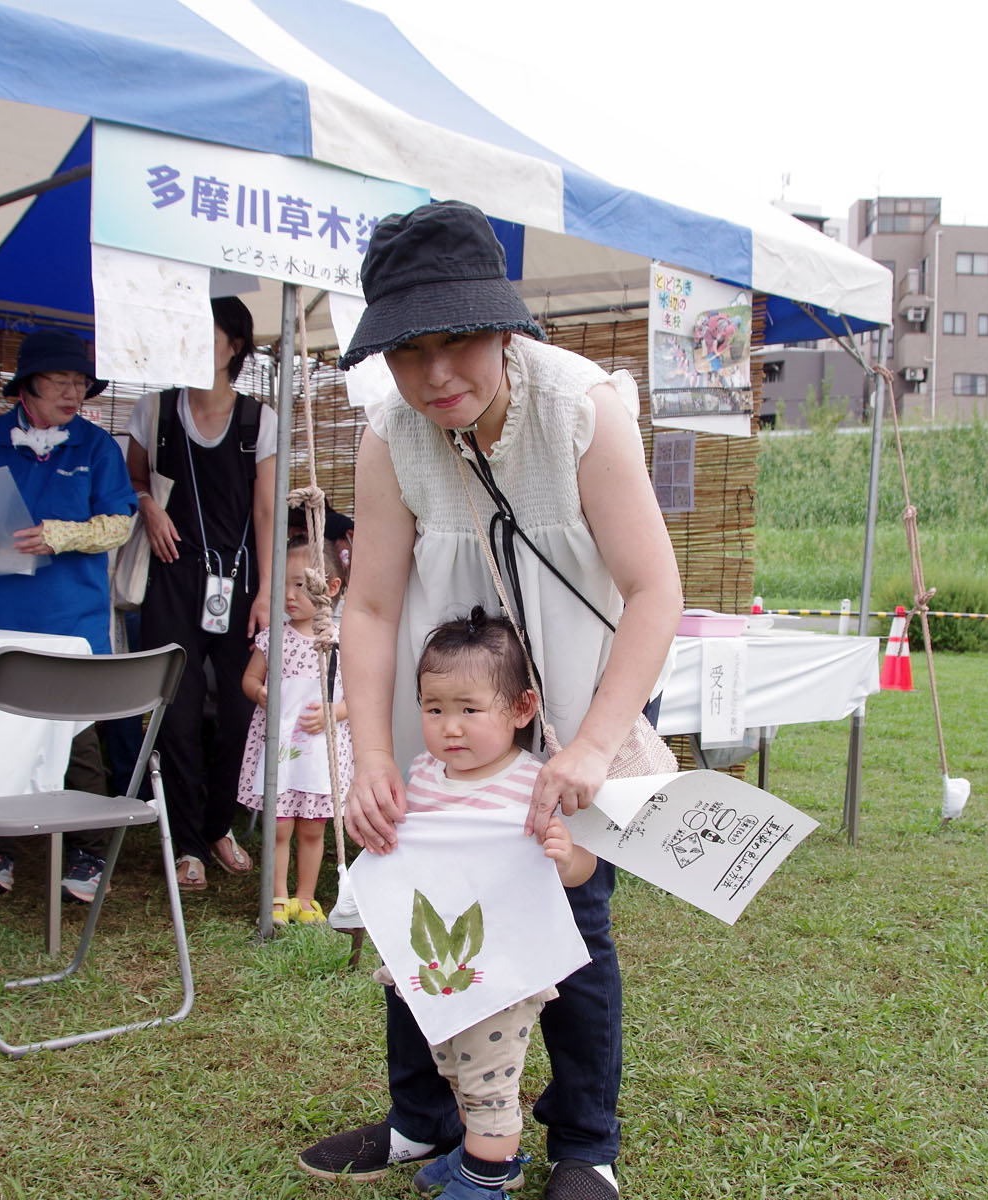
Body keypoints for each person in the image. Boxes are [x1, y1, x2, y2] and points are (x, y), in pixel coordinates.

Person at [296, 201, 682, 1200]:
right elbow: (373, 603)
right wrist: (374, 760)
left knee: (574, 915)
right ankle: (423, 1122)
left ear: (505, 327)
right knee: (416, 902)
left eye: (457, 340)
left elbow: (654, 591)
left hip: (569, 717)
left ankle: (586, 1143)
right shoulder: (392, 433)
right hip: (444, 710)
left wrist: (593, 745)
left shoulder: (582, 410)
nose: (435, 375)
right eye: (406, 350)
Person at [374, 608, 595, 1199]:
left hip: (502, 965)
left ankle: (487, 1176)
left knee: (489, 1079)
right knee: (451, 1063)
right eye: (434, 708)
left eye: (469, 710)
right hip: (438, 963)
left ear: (520, 709)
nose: (450, 728)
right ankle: (483, 1154)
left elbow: (583, 871)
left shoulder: (534, 782)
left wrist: (564, 854)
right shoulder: (421, 775)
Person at [0, 326, 137, 902]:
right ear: (27, 385)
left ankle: (87, 853)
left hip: (76, 617)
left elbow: (120, 523)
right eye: (59, 381)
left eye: (79, 383)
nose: (73, 393)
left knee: (78, 738)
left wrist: (60, 536)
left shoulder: (96, 448)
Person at [128, 297, 276, 892]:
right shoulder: (154, 409)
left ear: (235, 345)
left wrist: (267, 590)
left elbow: (267, 508)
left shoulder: (257, 420)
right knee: (177, 712)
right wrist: (148, 510)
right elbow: (135, 477)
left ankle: (219, 827)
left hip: (239, 583)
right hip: (172, 575)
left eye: (206, 333)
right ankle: (187, 842)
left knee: (241, 710)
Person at [237, 534, 351, 926]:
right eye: (283, 583)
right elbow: (250, 680)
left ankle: (305, 897)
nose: (289, 594)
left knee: (312, 828)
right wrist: (260, 692)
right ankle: (277, 897)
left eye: (300, 585)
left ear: (332, 588)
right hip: (282, 748)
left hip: (319, 752)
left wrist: (334, 713)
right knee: (280, 824)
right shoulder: (273, 639)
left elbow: (359, 697)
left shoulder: (340, 642)